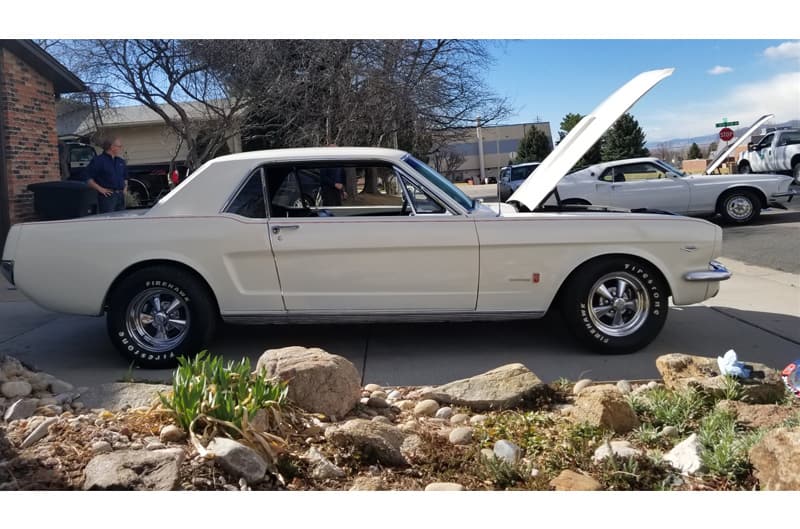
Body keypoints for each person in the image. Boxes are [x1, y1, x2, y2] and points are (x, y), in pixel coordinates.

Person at [83, 137, 128, 213]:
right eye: (119, 146)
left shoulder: (121, 161)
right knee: (108, 220)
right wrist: (101, 189)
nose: (121, 148)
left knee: (121, 220)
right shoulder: (98, 161)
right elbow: (87, 178)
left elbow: (125, 177)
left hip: (120, 196)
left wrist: (125, 189)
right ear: (112, 147)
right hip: (107, 197)